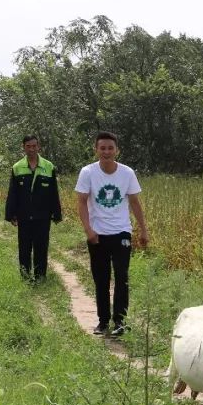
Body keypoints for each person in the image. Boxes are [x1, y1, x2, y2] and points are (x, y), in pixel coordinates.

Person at [75, 131, 150, 336]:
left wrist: (143, 229)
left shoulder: (127, 173)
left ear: (117, 150)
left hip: (121, 232)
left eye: (110, 148)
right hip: (97, 235)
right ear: (96, 150)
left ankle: (120, 321)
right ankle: (103, 321)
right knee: (101, 279)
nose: (106, 152)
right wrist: (88, 230)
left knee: (122, 277)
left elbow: (135, 202)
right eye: (102, 148)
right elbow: (81, 202)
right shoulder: (88, 172)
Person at [5, 135, 62, 281]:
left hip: (43, 215)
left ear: (38, 147)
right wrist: (11, 214)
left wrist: (56, 213)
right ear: (23, 147)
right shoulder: (17, 167)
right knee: (24, 248)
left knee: (41, 247)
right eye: (28, 146)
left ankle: (40, 276)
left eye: (34, 146)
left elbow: (53, 192)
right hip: (24, 215)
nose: (31, 149)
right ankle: (25, 276)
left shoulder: (48, 166)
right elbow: (13, 193)